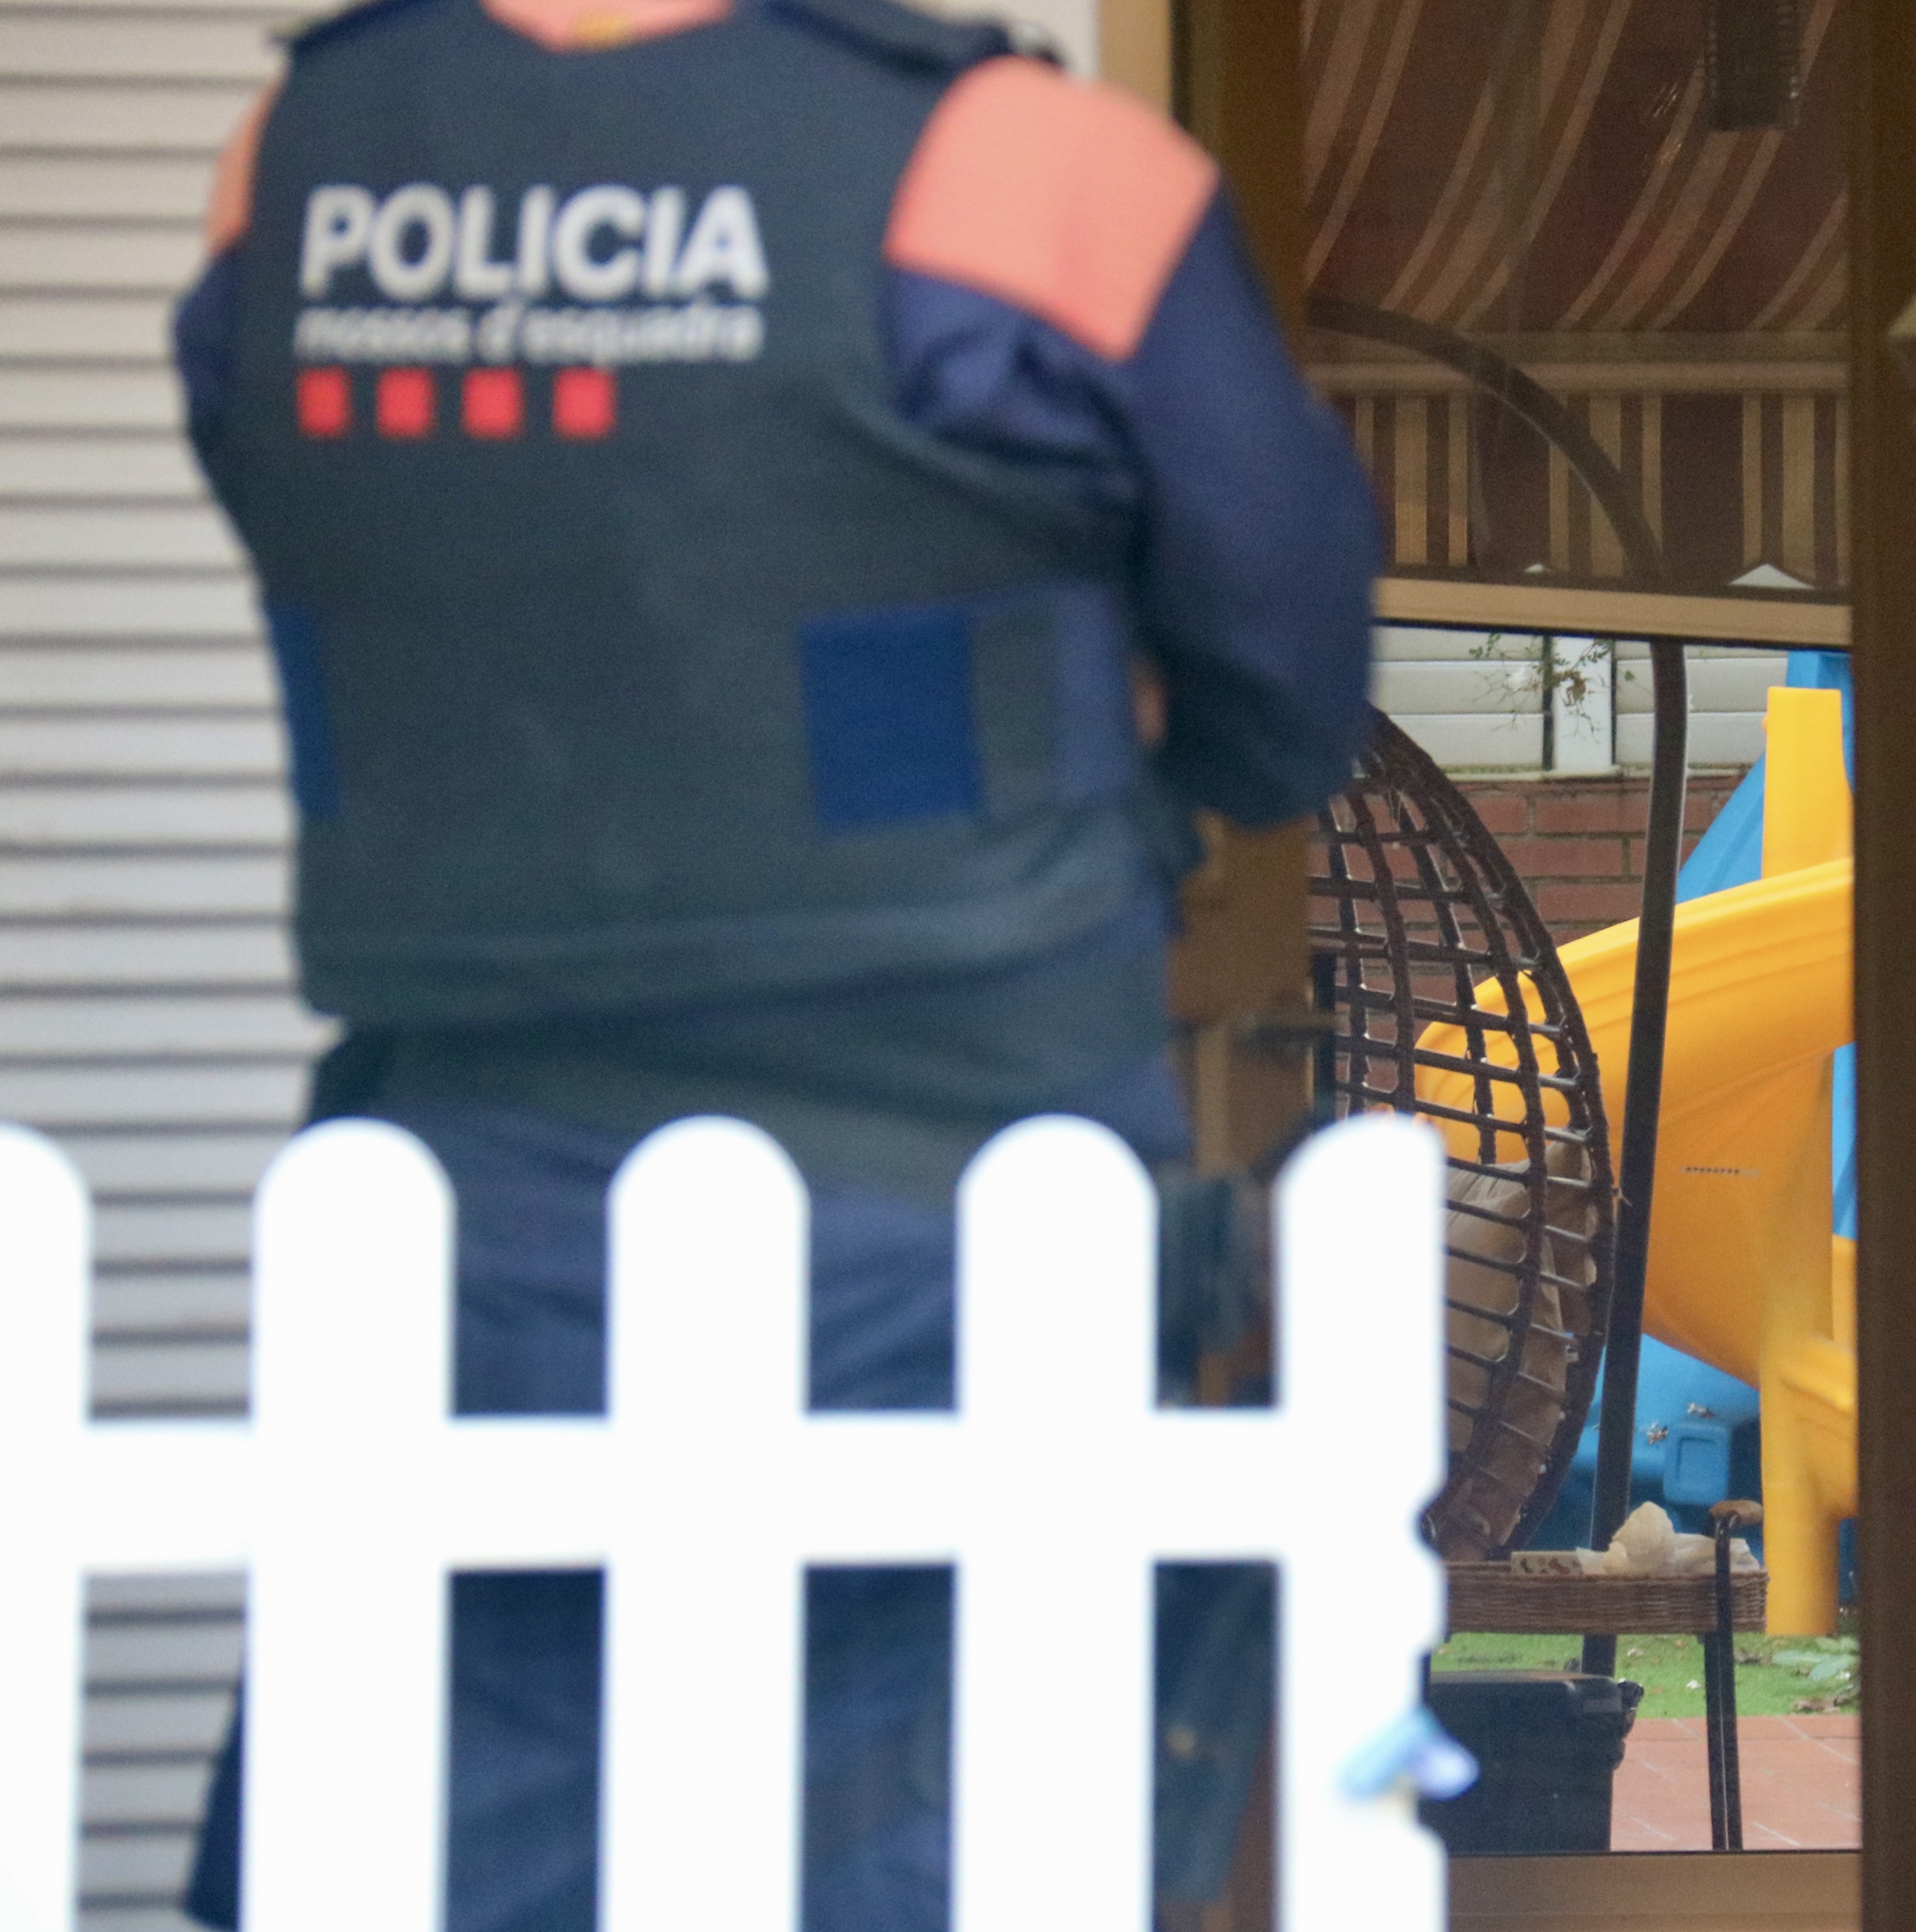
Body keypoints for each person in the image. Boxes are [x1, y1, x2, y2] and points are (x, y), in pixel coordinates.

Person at [168, 0, 1378, 1920]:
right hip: (962, 1241)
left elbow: (398, 587)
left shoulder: (291, 171)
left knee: (421, 1844)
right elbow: (1284, 713)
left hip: (457, 1232)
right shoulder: (1041, 182)